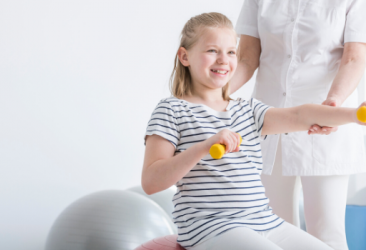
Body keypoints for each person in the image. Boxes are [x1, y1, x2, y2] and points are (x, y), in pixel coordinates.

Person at [142, 12, 366, 249]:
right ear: (184, 56)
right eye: (212, 51)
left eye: (230, 52)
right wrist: (204, 147)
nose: (223, 60)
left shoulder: (247, 110)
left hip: (263, 222)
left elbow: (300, 114)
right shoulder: (172, 110)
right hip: (209, 226)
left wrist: (355, 115)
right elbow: (151, 182)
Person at [231, 1, 366, 249]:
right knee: (272, 231)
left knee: (326, 234)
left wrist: (332, 105)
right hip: (270, 122)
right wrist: (215, 96)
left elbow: (354, 58)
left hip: (324, 122)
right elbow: (247, 57)